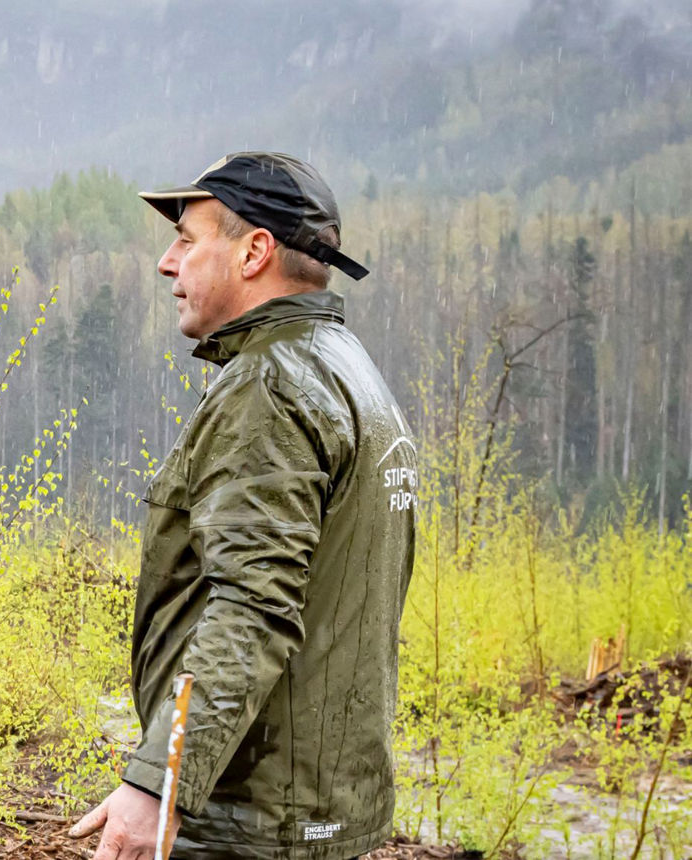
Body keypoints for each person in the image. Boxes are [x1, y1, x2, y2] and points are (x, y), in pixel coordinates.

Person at [71, 152, 416, 859]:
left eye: (187, 240)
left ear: (254, 251)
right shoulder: (348, 369)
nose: (168, 263)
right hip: (313, 802)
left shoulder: (271, 386)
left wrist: (161, 782)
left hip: (251, 813)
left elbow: (252, 608)